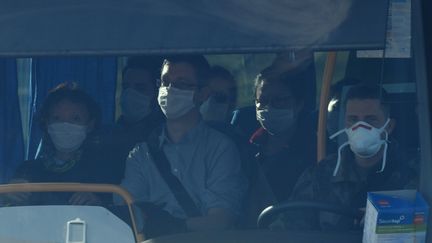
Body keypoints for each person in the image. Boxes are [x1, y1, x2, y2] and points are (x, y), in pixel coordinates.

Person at [116, 55, 247, 237]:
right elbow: (127, 213)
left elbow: (221, 220)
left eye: (181, 84)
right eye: (165, 82)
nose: (169, 90)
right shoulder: (140, 154)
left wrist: (174, 225)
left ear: (203, 93)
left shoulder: (221, 149)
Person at [271, 84, 418, 230]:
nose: (361, 127)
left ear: (389, 126)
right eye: (353, 119)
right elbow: (287, 229)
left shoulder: (417, 172)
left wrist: (389, 216)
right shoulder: (321, 174)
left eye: (370, 119)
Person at [4, 83, 110, 205]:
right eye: (57, 118)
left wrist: (99, 203)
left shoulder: (103, 171)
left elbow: (119, 213)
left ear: (90, 125)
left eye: (75, 119)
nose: (65, 125)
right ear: (46, 124)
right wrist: (7, 196)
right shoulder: (27, 171)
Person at [244, 67, 317, 225]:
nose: (269, 107)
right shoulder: (245, 149)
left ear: (298, 104)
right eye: (262, 101)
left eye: (280, 100)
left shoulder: (317, 151)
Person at [104, 56, 165, 184]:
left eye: (140, 88)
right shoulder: (109, 135)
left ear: (158, 92)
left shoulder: (167, 136)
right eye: (126, 87)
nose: (130, 94)